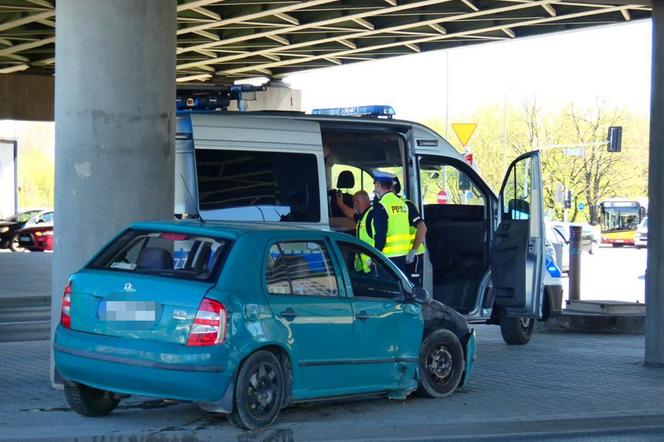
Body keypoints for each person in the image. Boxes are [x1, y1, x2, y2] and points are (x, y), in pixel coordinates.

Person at [371, 171, 411, 274]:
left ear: (378, 185)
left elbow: (380, 234)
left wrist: (376, 256)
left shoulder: (382, 205)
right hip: (402, 255)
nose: (375, 189)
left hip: (387, 257)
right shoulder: (402, 204)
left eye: (375, 185)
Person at [393, 178, 427, 287]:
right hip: (400, 255)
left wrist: (413, 251)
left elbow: (422, 228)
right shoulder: (387, 205)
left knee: (413, 288)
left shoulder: (406, 205)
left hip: (414, 255)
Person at [335, 190, 374, 272]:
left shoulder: (371, 217)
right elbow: (352, 214)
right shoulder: (364, 216)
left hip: (371, 266)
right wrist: (340, 204)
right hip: (364, 267)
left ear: (357, 202)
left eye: (354, 203)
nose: (353, 206)